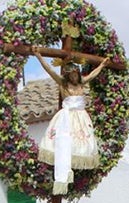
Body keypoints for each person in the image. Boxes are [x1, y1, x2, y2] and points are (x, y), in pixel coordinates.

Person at [33, 51, 110, 194]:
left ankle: (77, 166)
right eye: (72, 75)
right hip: (66, 117)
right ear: (68, 75)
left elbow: (93, 75)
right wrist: (39, 56)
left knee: (81, 142)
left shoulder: (82, 83)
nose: (74, 77)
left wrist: (102, 65)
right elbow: (49, 70)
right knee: (64, 140)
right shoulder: (63, 84)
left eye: (76, 74)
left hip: (81, 117)